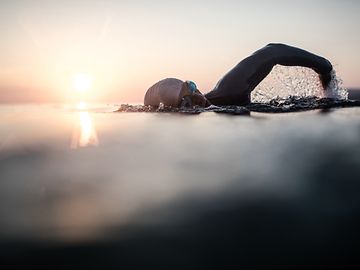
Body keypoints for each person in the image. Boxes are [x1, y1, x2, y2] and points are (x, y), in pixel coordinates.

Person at [144, 43, 333, 107]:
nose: (195, 96)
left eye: (191, 86)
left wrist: (323, 67)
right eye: (186, 101)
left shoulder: (230, 90)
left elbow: (272, 51)